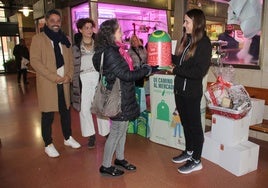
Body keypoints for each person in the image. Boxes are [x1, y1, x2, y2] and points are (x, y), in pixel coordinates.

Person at [93, 18, 152, 177]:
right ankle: (105, 165)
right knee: (117, 131)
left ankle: (120, 158)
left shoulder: (114, 50)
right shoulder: (111, 52)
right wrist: (146, 71)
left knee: (123, 130)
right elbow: (126, 75)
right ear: (111, 34)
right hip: (118, 98)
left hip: (123, 95)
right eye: (119, 31)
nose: (122, 33)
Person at [30, 9, 81, 158]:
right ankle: (48, 144)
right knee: (47, 115)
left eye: (58, 21)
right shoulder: (38, 39)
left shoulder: (65, 40)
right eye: (52, 21)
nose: (55, 24)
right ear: (46, 21)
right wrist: (54, 77)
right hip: (48, 83)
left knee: (66, 111)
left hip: (64, 82)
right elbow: (35, 61)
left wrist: (69, 76)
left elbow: (70, 60)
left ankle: (67, 138)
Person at [171, 9, 212, 174]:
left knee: (195, 126)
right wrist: (163, 55)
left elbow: (198, 72)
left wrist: (175, 70)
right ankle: (188, 151)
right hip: (179, 90)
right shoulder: (186, 40)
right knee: (185, 123)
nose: (184, 24)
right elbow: (179, 62)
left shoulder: (204, 43)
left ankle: (196, 159)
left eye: (187, 21)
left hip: (192, 93)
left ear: (196, 23)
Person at [72, 18, 110, 148]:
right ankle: (90, 135)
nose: (89, 30)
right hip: (83, 78)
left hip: (97, 77)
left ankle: (105, 132)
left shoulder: (99, 44)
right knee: (84, 108)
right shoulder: (76, 47)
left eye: (90, 27)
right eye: (86, 28)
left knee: (100, 106)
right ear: (80, 30)